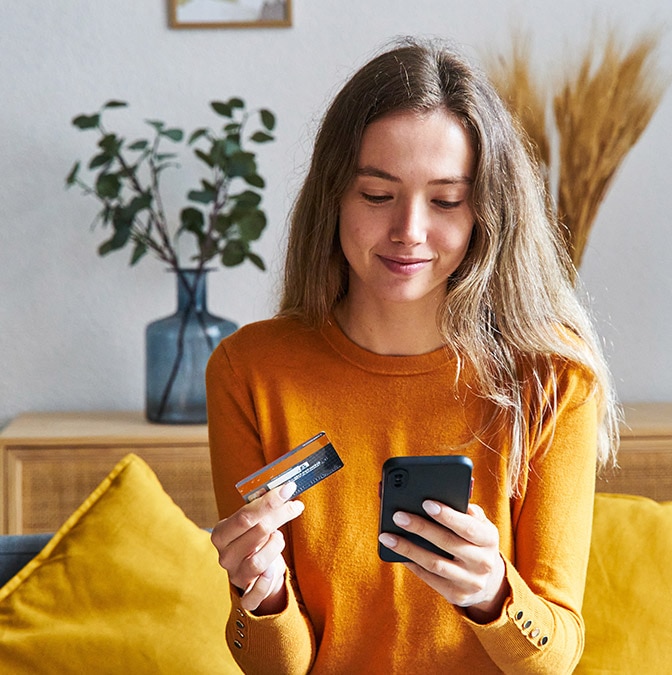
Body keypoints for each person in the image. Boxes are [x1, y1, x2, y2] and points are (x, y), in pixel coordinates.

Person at [206, 36, 619, 674]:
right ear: (333, 199)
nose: (410, 230)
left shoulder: (554, 378)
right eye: (377, 195)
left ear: (487, 212)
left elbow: (555, 658)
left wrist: (492, 595)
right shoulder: (250, 371)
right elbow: (277, 669)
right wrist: (261, 595)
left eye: (446, 200)